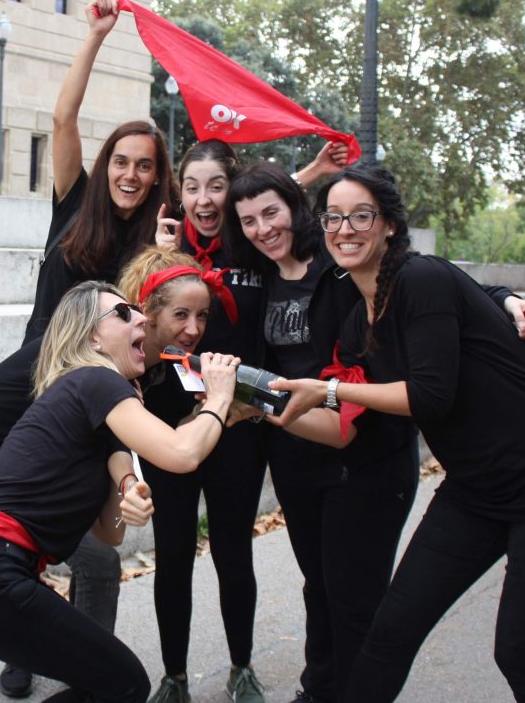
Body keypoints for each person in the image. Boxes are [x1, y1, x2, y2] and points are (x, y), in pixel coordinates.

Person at [272, 165, 525, 703]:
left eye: (361, 215)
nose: (345, 229)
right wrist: (263, 411)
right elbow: (345, 428)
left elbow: (430, 396)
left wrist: (330, 391)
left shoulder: (419, 278)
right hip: (477, 490)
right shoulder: (360, 322)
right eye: (333, 217)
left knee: (521, 652)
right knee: (390, 632)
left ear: (388, 225)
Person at [221, 162, 525, 703]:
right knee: (319, 588)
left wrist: (506, 298)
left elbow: (432, 288)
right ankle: (319, 688)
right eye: (249, 220)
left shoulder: (344, 259)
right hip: (297, 453)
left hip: (367, 455)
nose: (262, 229)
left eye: (271, 213)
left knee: (356, 600)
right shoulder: (254, 279)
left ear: (298, 211)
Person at [0, 281, 239, 703]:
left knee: (113, 684)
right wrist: (218, 397)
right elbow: (183, 453)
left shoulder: (95, 411)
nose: (141, 317)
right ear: (92, 337)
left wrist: (129, 498)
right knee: (124, 684)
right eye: (124, 314)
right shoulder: (94, 378)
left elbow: (111, 534)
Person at [141, 140, 346, 703]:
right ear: (178, 192)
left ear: (230, 190)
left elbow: (272, 210)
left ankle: (241, 667)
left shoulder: (250, 244)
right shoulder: (165, 244)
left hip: (241, 425)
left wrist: (310, 174)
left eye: (216, 186)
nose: (204, 199)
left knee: (235, 548)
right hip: (170, 423)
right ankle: (174, 675)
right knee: (174, 550)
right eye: (191, 186)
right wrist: (162, 258)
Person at [24, 0, 177, 344]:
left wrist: (161, 260)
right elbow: (63, 119)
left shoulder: (161, 234)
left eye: (143, 166)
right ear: (106, 165)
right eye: (120, 162)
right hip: (42, 359)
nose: (129, 175)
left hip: (108, 375)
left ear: (156, 177)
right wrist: (96, 35)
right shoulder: (75, 199)